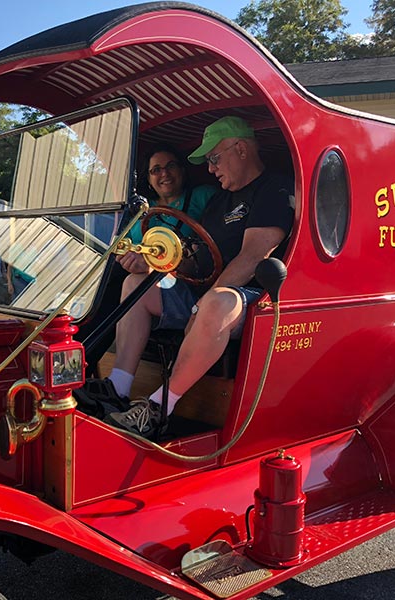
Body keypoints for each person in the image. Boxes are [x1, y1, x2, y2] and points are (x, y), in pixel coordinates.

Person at [102, 116, 295, 439]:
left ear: (242, 149)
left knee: (218, 302)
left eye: (215, 158)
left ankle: (159, 408)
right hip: (204, 295)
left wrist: (200, 305)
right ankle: (116, 388)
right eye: (208, 161)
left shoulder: (274, 189)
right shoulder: (220, 198)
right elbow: (194, 257)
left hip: (252, 300)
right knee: (136, 285)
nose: (210, 168)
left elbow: (252, 257)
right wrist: (150, 266)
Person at [128, 143, 216, 244]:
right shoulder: (139, 206)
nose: (165, 173)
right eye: (156, 170)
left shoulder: (203, 195)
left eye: (171, 166)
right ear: (149, 179)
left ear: (182, 170)